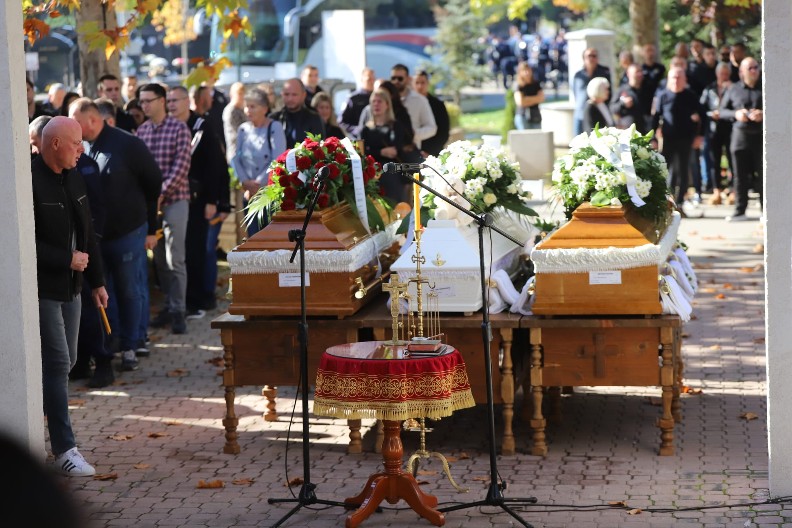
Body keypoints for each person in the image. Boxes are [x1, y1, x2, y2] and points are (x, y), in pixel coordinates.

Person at [32, 116, 108, 476]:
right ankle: (64, 448)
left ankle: (39, 420)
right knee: (60, 363)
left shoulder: (75, 175)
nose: (83, 149)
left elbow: (88, 231)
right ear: (56, 145)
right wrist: (65, 259)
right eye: (76, 143)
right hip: (44, 289)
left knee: (68, 361)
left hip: (74, 289)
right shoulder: (29, 180)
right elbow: (22, 244)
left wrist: (97, 282)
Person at [69, 98, 162, 372]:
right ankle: (110, 343)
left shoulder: (128, 144)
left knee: (129, 289)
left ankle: (132, 345)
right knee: (103, 292)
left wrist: (150, 226)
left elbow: (153, 182)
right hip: (97, 237)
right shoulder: (81, 148)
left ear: (92, 120)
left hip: (128, 231)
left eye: (75, 121)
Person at [167, 86, 230, 317]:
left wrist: (214, 200)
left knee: (197, 249)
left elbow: (215, 166)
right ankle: (181, 299)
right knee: (178, 252)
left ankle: (199, 299)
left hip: (200, 199)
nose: (171, 105)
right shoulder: (170, 127)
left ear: (187, 102)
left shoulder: (202, 126)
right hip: (176, 197)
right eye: (169, 101)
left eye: (176, 100)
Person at [135, 83, 193, 334]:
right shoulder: (142, 132)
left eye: (149, 100)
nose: (144, 105)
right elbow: (138, 170)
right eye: (142, 101)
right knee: (159, 259)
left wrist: (160, 192)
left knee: (175, 258)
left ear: (161, 101)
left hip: (176, 200)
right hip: (151, 205)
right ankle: (169, 306)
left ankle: (179, 310)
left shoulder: (180, 128)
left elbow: (181, 167)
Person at [235, 87, 287, 236]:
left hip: (268, 193)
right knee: (253, 238)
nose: (248, 110)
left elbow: (276, 159)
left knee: (269, 238)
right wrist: (245, 181)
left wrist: (258, 184)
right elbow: (236, 158)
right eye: (246, 106)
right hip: (249, 194)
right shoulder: (242, 129)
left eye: (253, 106)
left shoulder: (274, 127)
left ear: (264, 109)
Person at [651, 67, 705, 207]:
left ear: (684, 79)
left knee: (683, 170)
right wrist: (653, 138)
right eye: (673, 77)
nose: (676, 80)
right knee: (664, 169)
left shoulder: (690, 96)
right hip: (668, 139)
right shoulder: (663, 96)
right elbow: (656, 118)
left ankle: (680, 201)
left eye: (678, 77)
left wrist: (700, 136)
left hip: (686, 139)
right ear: (668, 80)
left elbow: (703, 117)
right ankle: (663, 199)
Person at [720, 57, 762, 222]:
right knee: (739, 176)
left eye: (756, 67)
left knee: (762, 174)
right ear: (742, 72)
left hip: (760, 137)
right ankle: (740, 210)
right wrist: (736, 114)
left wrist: (762, 115)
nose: (754, 71)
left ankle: (765, 210)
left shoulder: (765, 87)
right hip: (740, 137)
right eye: (750, 68)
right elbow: (722, 111)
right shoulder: (734, 89)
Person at [360, 88, 409, 203]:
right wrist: (381, 152)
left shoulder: (396, 126)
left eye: (380, 101)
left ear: (387, 104)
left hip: (392, 174)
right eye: (374, 101)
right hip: (372, 175)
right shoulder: (366, 129)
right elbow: (363, 152)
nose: (376, 104)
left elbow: (399, 149)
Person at [700, 62, 734, 205]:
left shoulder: (734, 88)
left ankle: (733, 191)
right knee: (715, 161)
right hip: (713, 129)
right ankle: (717, 191)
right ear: (717, 74)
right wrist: (710, 114)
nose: (724, 76)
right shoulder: (709, 88)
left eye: (726, 74)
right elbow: (701, 107)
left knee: (733, 161)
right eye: (722, 73)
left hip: (730, 128)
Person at [389, 64, 436, 152]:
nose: (396, 81)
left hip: (410, 152)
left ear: (407, 79)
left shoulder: (420, 100)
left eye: (400, 78)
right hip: (388, 151)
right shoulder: (385, 100)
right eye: (393, 78)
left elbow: (432, 128)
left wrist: (413, 133)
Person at [269, 78, 324, 147]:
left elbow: (318, 147)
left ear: (303, 95)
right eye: (286, 94)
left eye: (294, 95)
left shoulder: (314, 119)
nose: (290, 99)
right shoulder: (273, 119)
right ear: (282, 94)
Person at [572, 48, 611, 135]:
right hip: (580, 112)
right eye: (589, 56)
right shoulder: (578, 75)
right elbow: (575, 92)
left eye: (594, 56)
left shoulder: (604, 72)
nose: (591, 58)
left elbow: (608, 91)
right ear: (584, 58)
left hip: (597, 109)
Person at [413, 71, 450, 157]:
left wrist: (428, 152)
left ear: (428, 83)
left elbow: (443, 133)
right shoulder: (407, 104)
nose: (420, 86)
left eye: (423, 83)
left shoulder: (438, 105)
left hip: (432, 154)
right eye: (417, 83)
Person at [610, 64, 651, 133]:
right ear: (628, 74)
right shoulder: (622, 90)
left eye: (641, 71)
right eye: (637, 72)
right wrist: (623, 104)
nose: (640, 74)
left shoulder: (647, 89)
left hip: (644, 131)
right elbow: (612, 108)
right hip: (628, 133)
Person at [339, 67, 375, 138]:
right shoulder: (353, 99)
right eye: (369, 79)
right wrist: (357, 130)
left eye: (373, 79)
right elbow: (341, 122)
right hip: (358, 139)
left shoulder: (377, 98)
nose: (372, 82)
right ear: (362, 80)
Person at [512, 61, 545, 130]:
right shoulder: (519, 85)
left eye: (528, 70)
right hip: (523, 115)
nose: (526, 73)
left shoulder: (536, 84)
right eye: (524, 71)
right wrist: (535, 99)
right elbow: (520, 102)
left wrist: (526, 99)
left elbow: (541, 98)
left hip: (535, 116)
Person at [222, 82, 247, 161]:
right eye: (239, 94)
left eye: (243, 94)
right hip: (235, 152)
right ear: (232, 94)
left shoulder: (242, 109)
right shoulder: (231, 110)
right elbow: (239, 132)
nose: (242, 96)